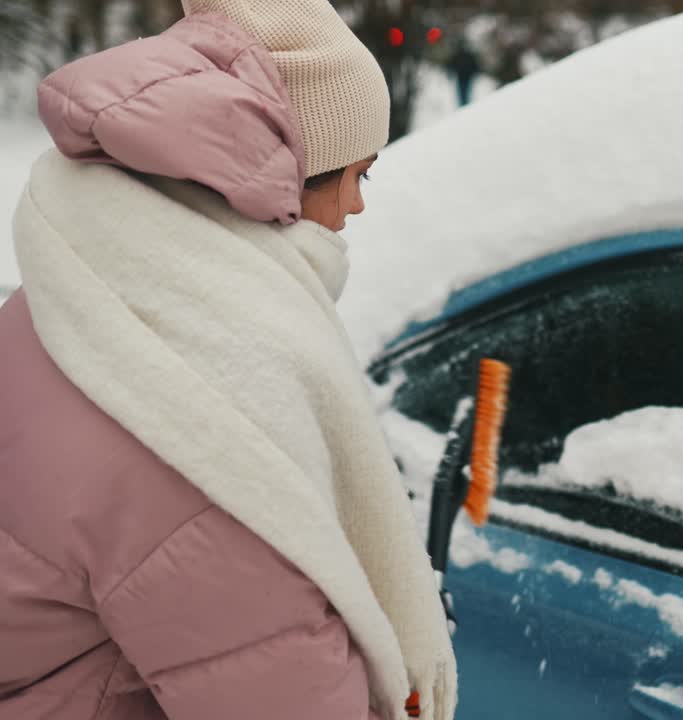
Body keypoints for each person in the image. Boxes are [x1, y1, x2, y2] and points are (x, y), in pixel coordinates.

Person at [0, 2, 456, 719]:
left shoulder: (90, 290)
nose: (359, 208)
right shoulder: (210, 422)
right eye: (360, 175)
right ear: (290, 176)